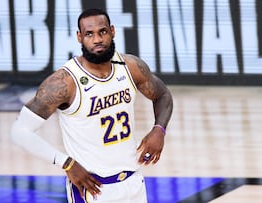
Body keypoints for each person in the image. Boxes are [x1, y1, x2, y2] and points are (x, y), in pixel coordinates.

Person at [11, 8, 173, 203]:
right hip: (92, 189)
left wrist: (159, 129)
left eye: (102, 31)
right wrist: (66, 163)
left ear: (112, 31)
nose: (97, 39)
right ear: (79, 37)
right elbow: (19, 131)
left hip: (133, 183)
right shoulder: (65, 82)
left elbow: (162, 94)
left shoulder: (130, 67)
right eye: (89, 34)